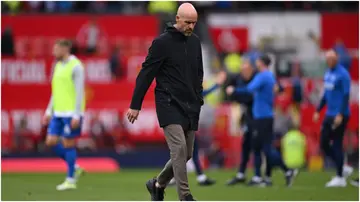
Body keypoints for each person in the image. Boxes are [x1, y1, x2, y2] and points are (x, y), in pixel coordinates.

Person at [127, 3, 201, 201]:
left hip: (190, 105)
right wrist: (135, 104)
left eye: (194, 23)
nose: (191, 27)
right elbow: (146, 74)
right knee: (178, 150)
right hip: (168, 103)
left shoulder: (195, 42)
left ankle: (157, 184)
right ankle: (185, 195)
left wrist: (198, 99)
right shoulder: (162, 43)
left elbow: (198, 74)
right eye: (187, 22)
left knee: (186, 155)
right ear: (177, 19)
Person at [226, 55, 296, 187]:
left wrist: (233, 90)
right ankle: (260, 178)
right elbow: (276, 88)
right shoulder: (268, 76)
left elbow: (249, 89)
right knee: (257, 147)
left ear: (261, 63)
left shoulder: (263, 76)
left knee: (266, 149)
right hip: (262, 116)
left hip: (262, 117)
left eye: (257, 61)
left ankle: (287, 170)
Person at [168, 71, 227, 187]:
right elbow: (203, 94)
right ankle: (174, 177)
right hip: (182, 123)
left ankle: (197, 176)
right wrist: (217, 85)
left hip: (186, 122)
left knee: (189, 151)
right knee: (182, 151)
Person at [42, 39, 85, 191]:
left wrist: (76, 115)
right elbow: (56, 91)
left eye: (56, 49)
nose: (54, 52)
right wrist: (49, 110)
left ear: (66, 49)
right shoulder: (58, 65)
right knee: (50, 141)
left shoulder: (76, 66)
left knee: (68, 143)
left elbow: (80, 92)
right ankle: (74, 167)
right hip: (58, 112)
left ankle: (70, 179)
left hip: (70, 113)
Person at [313, 49, 351, 187]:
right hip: (329, 114)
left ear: (337, 58)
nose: (329, 60)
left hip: (339, 115)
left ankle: (340, 177)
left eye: (332, 58)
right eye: (327, 58)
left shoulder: (343, 74)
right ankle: (341, 165)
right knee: (323, 143)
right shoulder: (328, 73)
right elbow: (326, 94)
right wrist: (318, 110)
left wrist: (340, 114)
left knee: (336, 143)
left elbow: (346, 95)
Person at [225, 59, 263, 186]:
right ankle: (242, 173)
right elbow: (238, 97)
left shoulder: (257, 80)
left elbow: (249, 96)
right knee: (246, 145)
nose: (244, 72)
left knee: (258, 146)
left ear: (251, 70)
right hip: (248, 116)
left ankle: (260, 175)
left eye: (246, 70)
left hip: (258, 116)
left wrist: (236, 93)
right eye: (242, 70)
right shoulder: (241, 80)